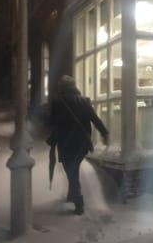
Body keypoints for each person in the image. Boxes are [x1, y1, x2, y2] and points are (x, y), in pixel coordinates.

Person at [48, 75, 108, 215]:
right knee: (73, 170)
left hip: (66, 143)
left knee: (71, 172)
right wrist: (104, 133)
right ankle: (72, 195)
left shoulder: (58, 102)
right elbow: (95, 119)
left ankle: (79, 202)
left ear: (61, 88)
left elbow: (51, 122)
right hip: (82, 143)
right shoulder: (84, 101)